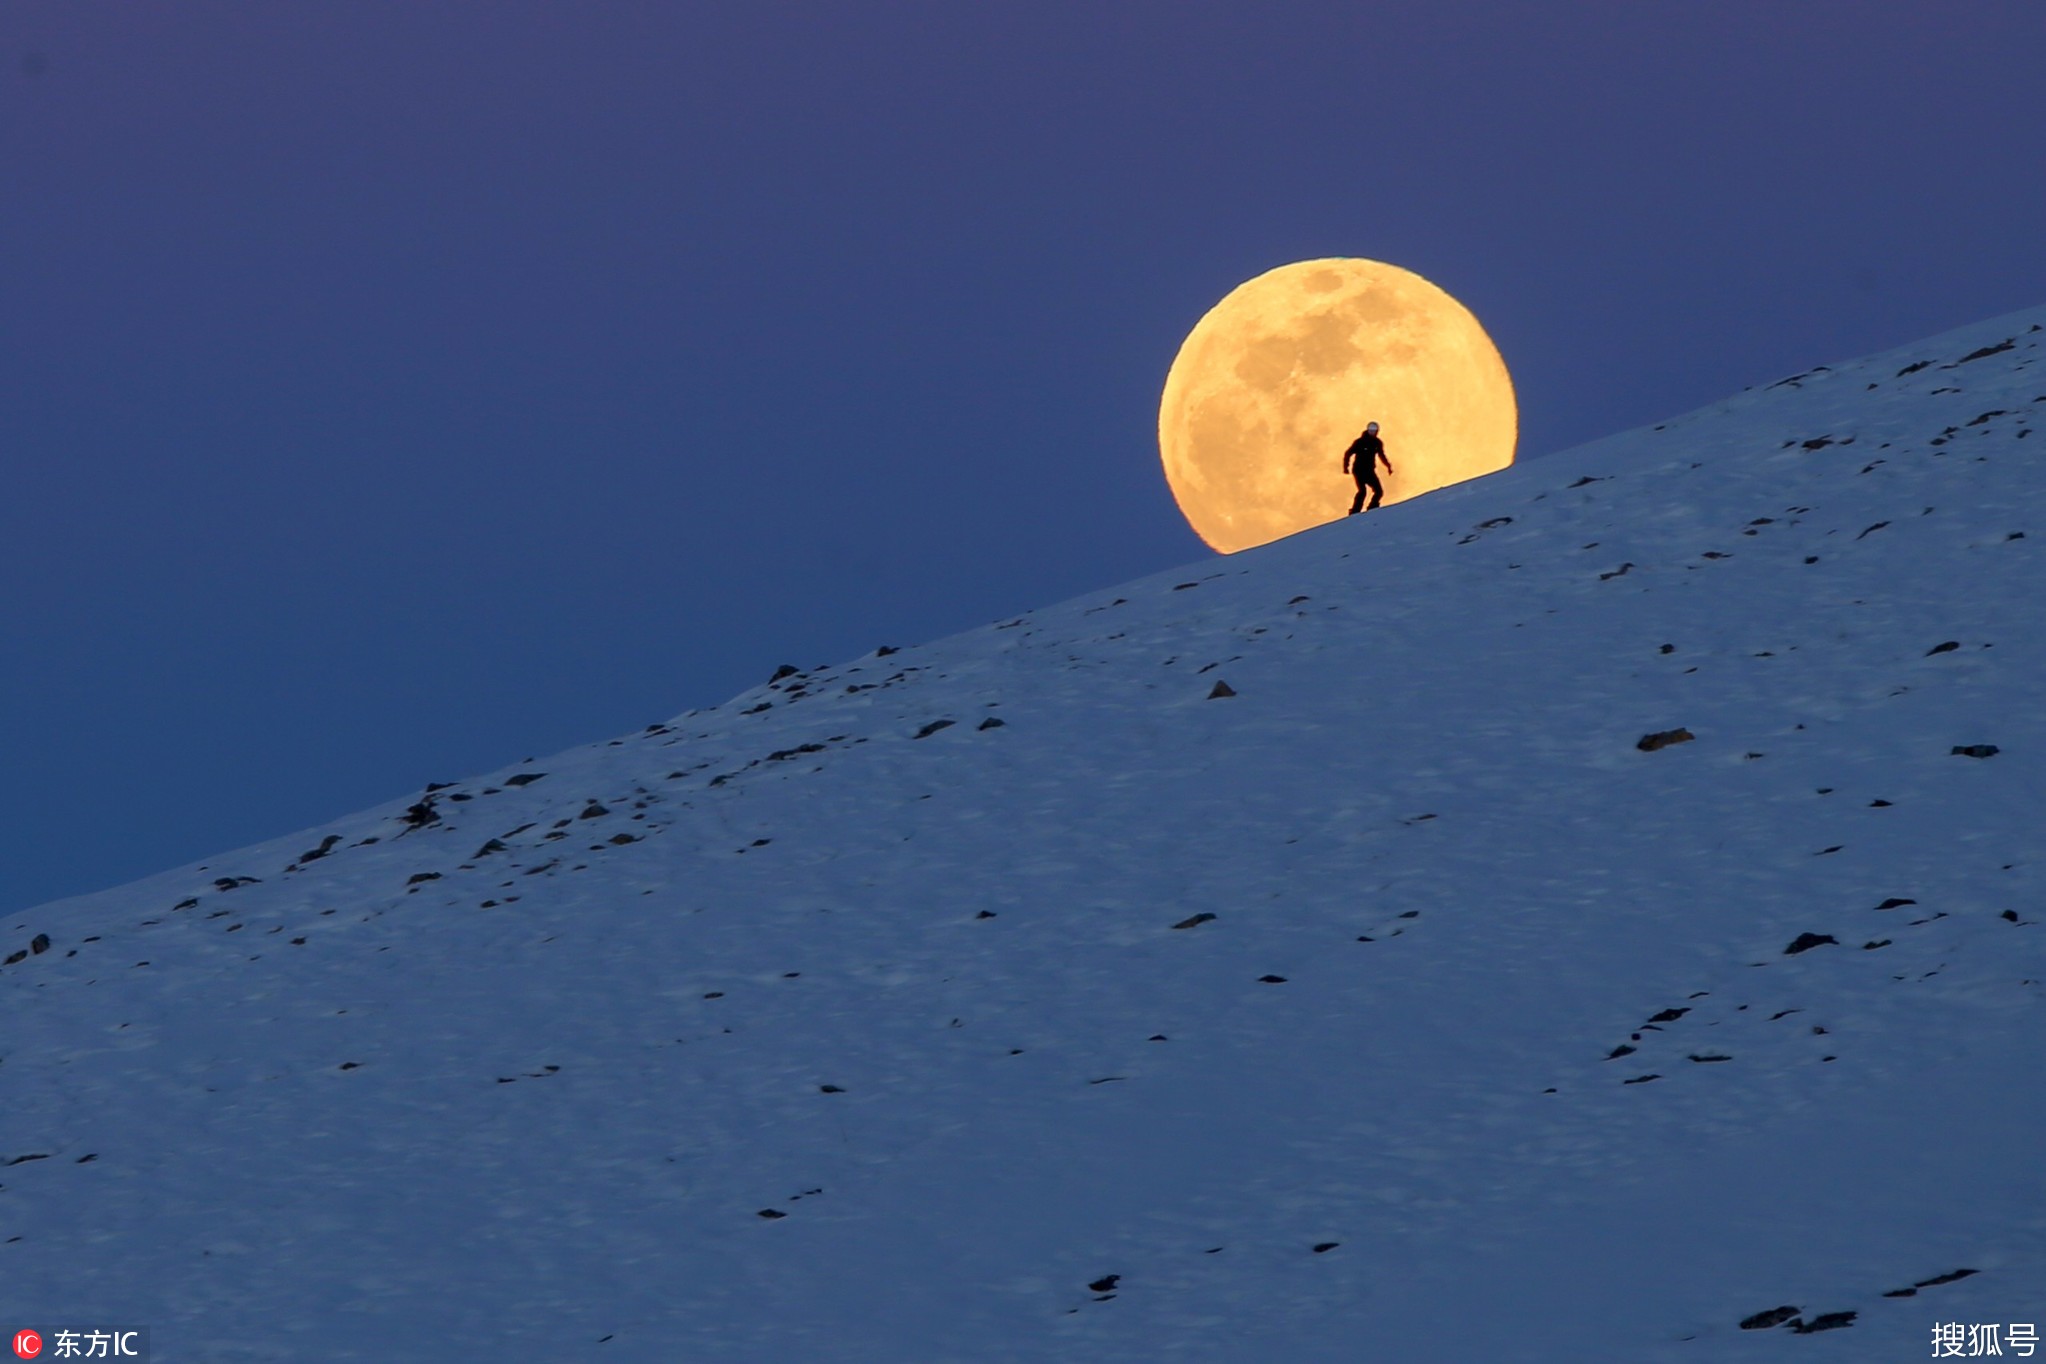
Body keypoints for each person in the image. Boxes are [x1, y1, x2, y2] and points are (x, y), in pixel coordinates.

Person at [1343, 421, 1393, 514]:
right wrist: (1346, 467)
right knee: (1362, 491)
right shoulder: (1360, 442)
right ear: (1368, 430)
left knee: (1379, 491)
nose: (1372, 432)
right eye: (1371, 430)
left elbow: (1381, 455)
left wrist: (1388, 466)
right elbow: (1348, 453)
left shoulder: (1377, 443)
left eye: (1374, 431)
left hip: (1369, 470)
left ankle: (1372, 507)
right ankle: (1355, 511)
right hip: (1358, 470)